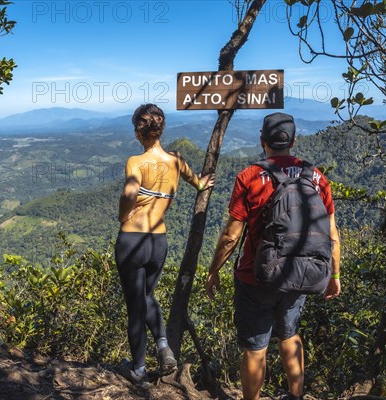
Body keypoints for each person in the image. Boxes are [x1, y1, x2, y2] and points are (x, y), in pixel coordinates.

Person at [205, 112, 341, 400]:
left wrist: (213, 270)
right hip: (301, 273)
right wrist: (334, 275)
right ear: (293, 141)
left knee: (255, 348)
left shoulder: (250, 177)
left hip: (256, 277)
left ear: (261, 140)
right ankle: (296, 396)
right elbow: (332, 234)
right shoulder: (317, 178)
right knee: (289, 335)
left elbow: (231, 234)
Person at [116, 103, 214, 388]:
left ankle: (138, 369)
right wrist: (201, 184)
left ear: (138, 130)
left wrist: (124, 215)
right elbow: (195, 181)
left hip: (132, 240)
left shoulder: (136, 161)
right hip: (158, 241)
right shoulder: (176, 160)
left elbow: (130, 190)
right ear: (161, 129)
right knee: (147, 295)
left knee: (135, 306)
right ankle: (163, 347)